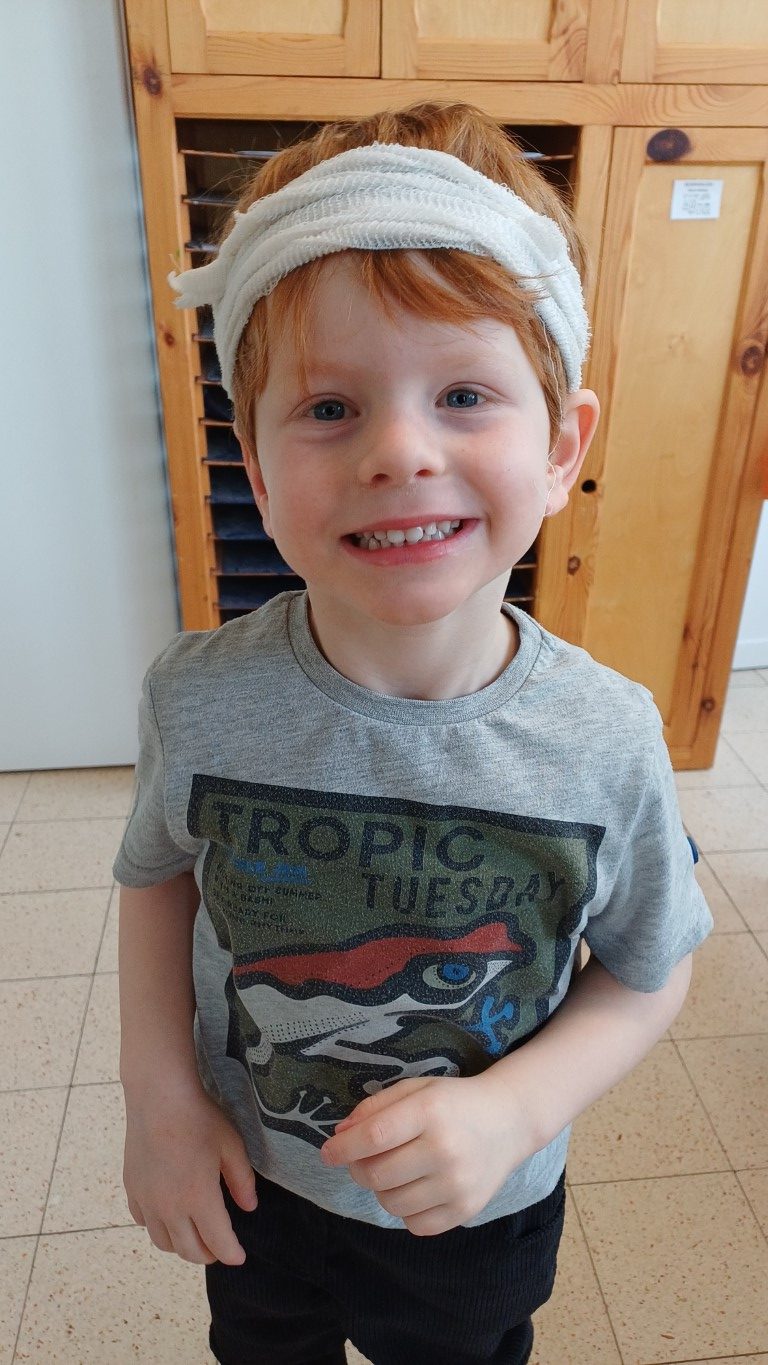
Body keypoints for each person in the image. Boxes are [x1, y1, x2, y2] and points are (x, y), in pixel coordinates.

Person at [114, 101, 713, 1365]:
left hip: (478, 1215)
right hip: (254, 1180)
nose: (399, 451)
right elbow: (158, 876)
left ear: (561, 446)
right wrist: (158, 1099)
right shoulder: (195, 696)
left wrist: (515, 1111)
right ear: (257, 469)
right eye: (330, 408)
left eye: (463, 393)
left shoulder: (606, 736)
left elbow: (651, 967)